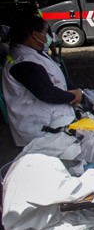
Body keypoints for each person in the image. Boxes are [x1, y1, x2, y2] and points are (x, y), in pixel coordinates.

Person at [2, 14, 80, 147]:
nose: (49, 37)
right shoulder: (23, 61)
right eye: (45, 32)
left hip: (53, 122)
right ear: (35, 35)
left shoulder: (36, 53)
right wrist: (74, 96)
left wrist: (76, 90)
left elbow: (58, 76)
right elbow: (47, 93)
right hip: (40, 128)